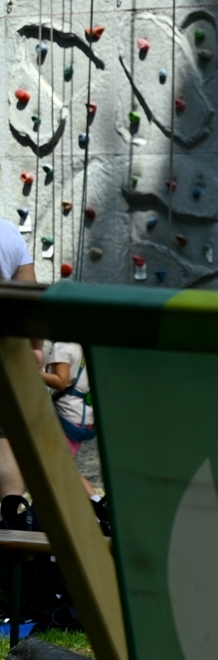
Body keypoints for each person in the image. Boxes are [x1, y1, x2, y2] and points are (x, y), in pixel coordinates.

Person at [0, 218, 37, 524]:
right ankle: (12, 518)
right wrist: (36, 348)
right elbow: (29, 298)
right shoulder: (8, 232)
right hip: (4, 350)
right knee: (3, 440)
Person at [40, 340, 102, 502]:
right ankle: (97, 502)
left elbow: (61, 381)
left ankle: (96, 505)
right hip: (83, 415)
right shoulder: (81, 346)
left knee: (59, 467)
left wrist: (34, 373)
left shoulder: (63, 346)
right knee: (63, 466)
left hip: (68, 415)